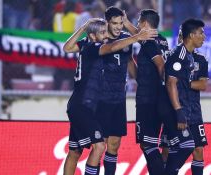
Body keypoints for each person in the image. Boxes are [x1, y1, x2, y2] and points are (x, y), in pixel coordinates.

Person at [63, 18, 157, 175]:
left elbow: (67, 47)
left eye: (106, 30)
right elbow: (111, 47)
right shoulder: (94, 47)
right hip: (83, 106)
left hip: (82, 104)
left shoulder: (86, 44)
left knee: (75, 150)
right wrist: (136, 37)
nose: (106, 34)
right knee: (99, 146)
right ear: (93, 36)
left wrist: (84, 27)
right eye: (102, 32)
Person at [124, 9, 169, 175]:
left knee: (148, 144)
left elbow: (161, 65)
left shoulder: (149, 42)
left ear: (144, 24)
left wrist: (126, 23)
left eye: (138, 23)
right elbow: (140, 76)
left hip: (148, 99)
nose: (137, 26)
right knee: (150, 143)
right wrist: (129, 60)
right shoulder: (162, 40)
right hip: (157, 97)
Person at [162, 23, 208, 175]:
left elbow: (202, 84)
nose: (204, 36)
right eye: (201, 33)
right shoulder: (176, 56)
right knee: (169, 149)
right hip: (176, 109)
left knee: (198, 150)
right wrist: (178, 110)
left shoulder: (200, 60)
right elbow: (169, 83)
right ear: (191, 35)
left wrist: (185, 83)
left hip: (194, 111)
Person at [94, 7, 134, 175]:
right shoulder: (99, 40)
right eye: (114, 23)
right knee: (99, 145)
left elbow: (130, 61)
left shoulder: (126, 39)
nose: (118, 27)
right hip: (101, 99)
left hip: (119, 97)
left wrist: (142, 81)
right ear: (107, 23)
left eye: (120, 23)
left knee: (114, 144)